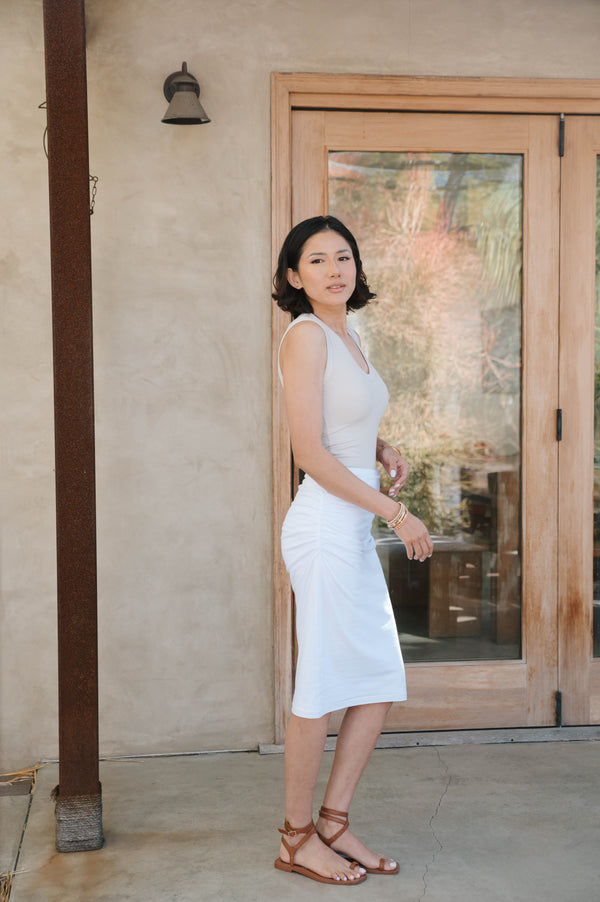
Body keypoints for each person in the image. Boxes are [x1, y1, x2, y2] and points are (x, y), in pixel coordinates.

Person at [271, 215, 433, 886]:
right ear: (293, 276)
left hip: (351, 527)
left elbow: (342, 427)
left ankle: (334, 823)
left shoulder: (348, 333)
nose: (335, 269)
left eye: (344, 257)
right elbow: (308, 451)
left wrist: (380, 446)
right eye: (317, 260)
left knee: (377, 681)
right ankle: (296, 837)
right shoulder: (306, 337)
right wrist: (397, 511)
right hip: (324, 529)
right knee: (323, 686)